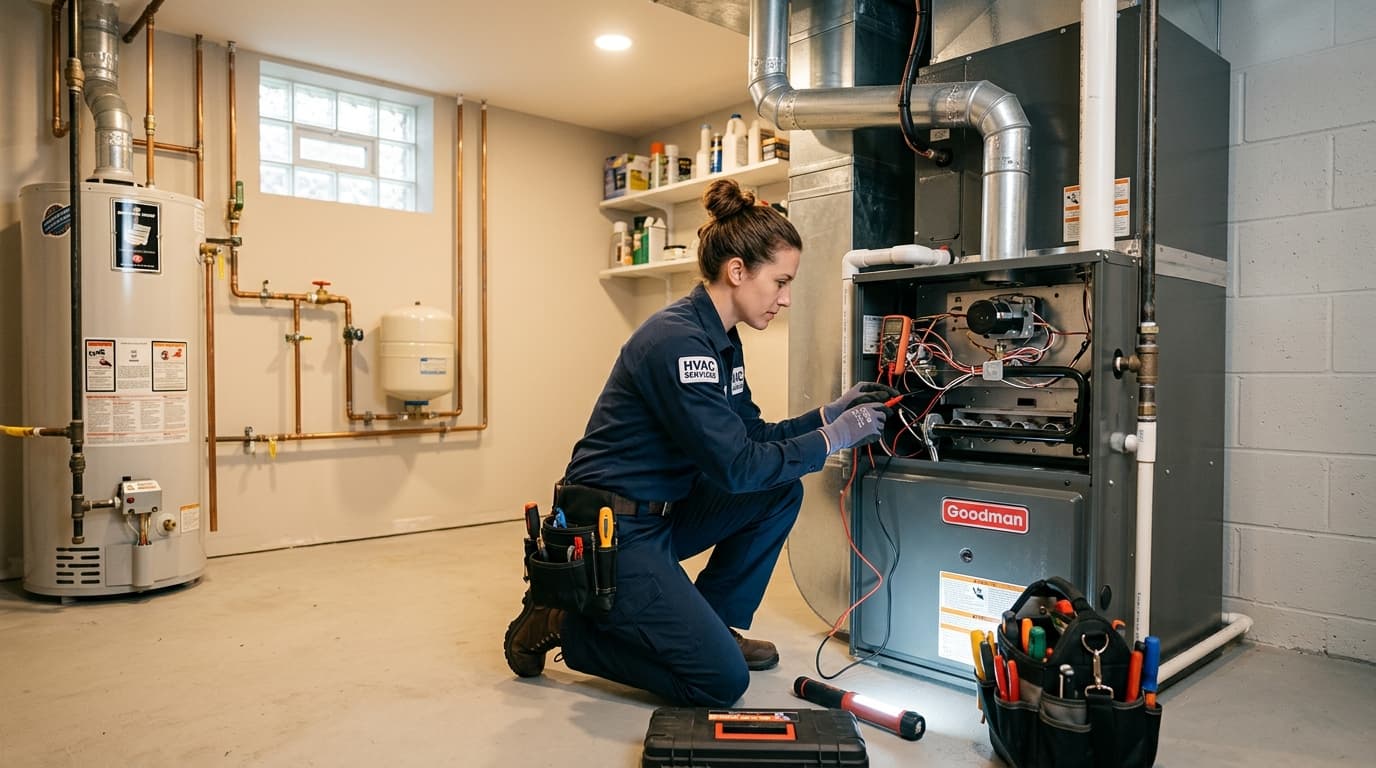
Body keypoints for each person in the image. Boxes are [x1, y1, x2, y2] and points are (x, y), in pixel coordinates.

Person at [502, 178, 897, 706]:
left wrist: (825, 416)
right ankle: (567, 626)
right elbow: (736, 467)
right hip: (611, 532)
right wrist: (832, 439)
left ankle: (715, 626)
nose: (786, 298)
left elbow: (750, 438)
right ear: (737, 271)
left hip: (664, 513)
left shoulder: (721, 341)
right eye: (780, 282)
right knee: (720, 682)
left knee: (777, 492)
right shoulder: (679, 342)